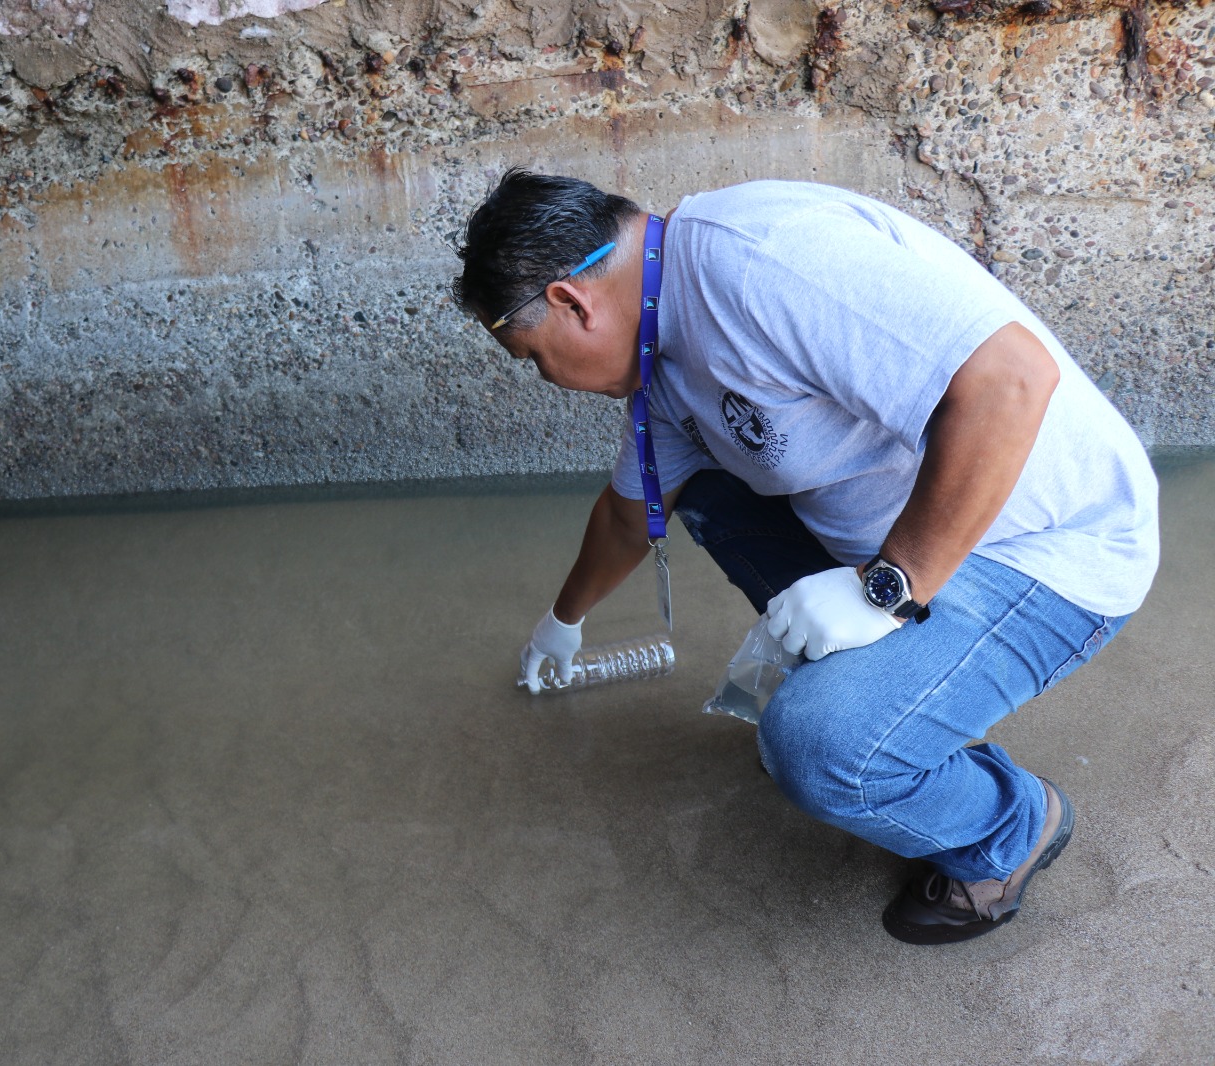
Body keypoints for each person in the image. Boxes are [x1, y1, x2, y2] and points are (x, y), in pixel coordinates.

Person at [451, 170, 1159, 945]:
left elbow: (1010, 381)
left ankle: (1011, 826)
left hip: (1049, 548)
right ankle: (890, 703)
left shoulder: (758, 265)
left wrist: (886, 590)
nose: (546, 378)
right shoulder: (662, 355)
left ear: (570, 302)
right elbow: (629, 515)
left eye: (530, 356)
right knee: (711, 492)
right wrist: (562, 621)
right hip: (909, 542)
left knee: (818, 749)